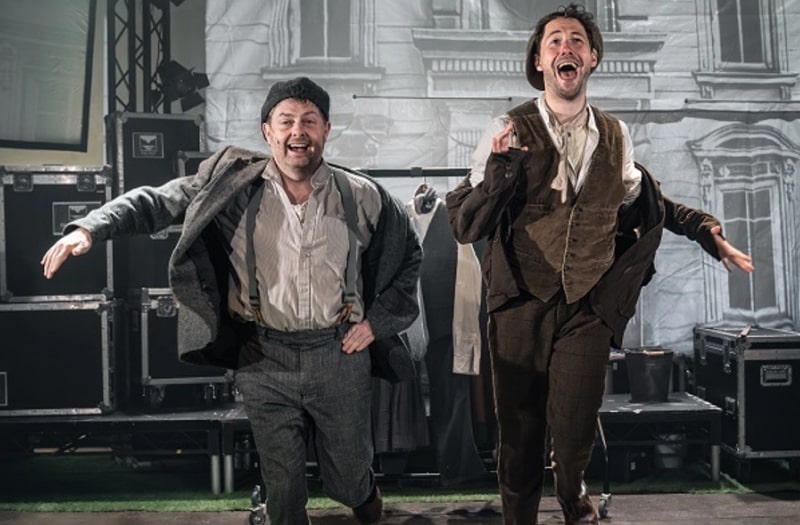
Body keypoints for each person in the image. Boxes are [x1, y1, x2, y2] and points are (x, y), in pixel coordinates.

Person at [40, 76, 422, 524]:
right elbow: (156, 202)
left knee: (350, 475)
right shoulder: (233, 186)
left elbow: (409, 256)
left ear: (326, 131)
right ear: (267, 131)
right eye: (286, 121)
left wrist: (376, 322)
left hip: (338, 354)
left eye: (309, 122)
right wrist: (90, 228)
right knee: (283, 487)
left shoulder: (362, 194)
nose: (297, 132)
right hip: (263, 356)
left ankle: (363, 494)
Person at [445, 4, 754, 525]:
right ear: (540, 61)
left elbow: (648, 201)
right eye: (554, 41)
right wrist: (500, 169)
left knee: (574, 425)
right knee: (519, 430)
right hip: (520, 302)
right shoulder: (507, 127)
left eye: (576, 41)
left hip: (586, 305)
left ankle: (572, 495)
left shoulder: (615, 134)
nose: (565, 47)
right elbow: (465, 224)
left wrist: (706, 231)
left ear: (591, 59)